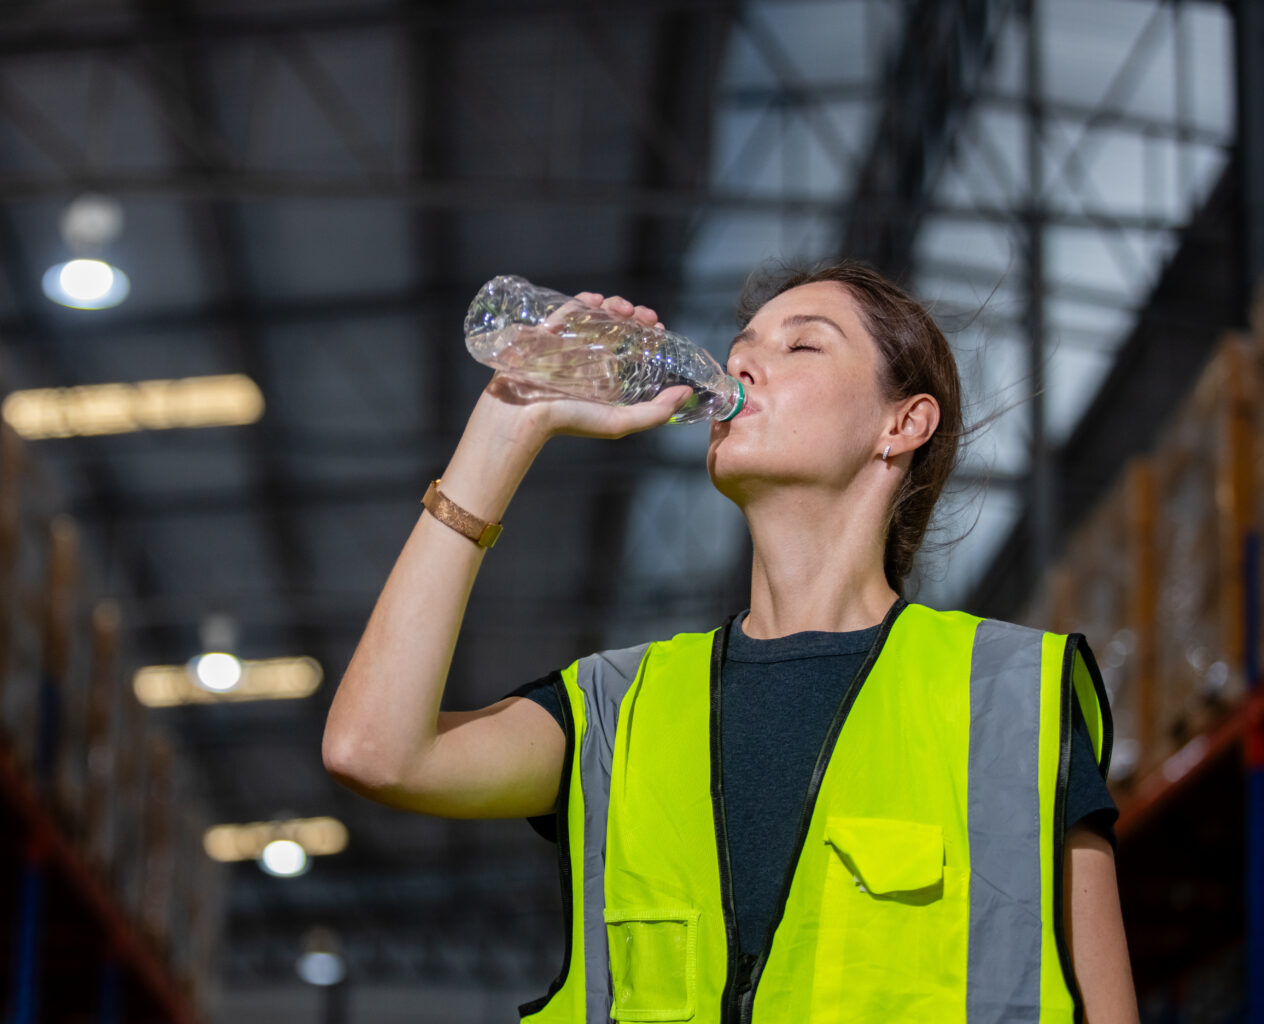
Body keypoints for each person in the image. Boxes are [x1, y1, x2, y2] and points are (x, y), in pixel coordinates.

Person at [322, 261, 1140, 1023]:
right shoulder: (619, 708)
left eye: (802, 344)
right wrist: (507, 425)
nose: (741, 366)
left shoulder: (1007, 695)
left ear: (903, 422)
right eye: (741, 348)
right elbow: (374, 750)